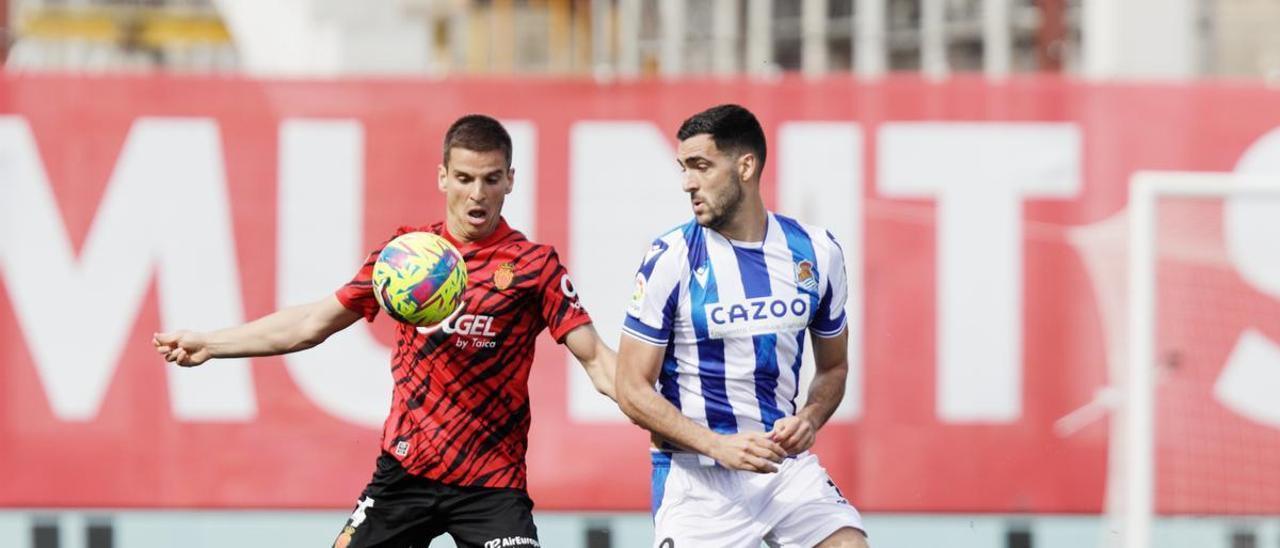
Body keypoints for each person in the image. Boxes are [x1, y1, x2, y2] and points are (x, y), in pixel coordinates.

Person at [153, 114, 617, 548]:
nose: (477, 194)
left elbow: (595, 359)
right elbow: (313, 324)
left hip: (491, 484)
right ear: (442, 177)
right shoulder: (405, 258)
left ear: (510, 181)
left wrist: (663, 409)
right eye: (464, 178)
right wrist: (211, 343)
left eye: (491, 179)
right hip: (404, 475)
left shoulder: (534, 267)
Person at [615, 104, 868, 548]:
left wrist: (809, 419)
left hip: (784, 473)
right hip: (698, 483)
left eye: (701, 166)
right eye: (684, 168)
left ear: (745, 166)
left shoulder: (817, 252)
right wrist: (717, 445)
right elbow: (631, 387)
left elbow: (834, 369)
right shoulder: (669, 259)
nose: (687, 183)